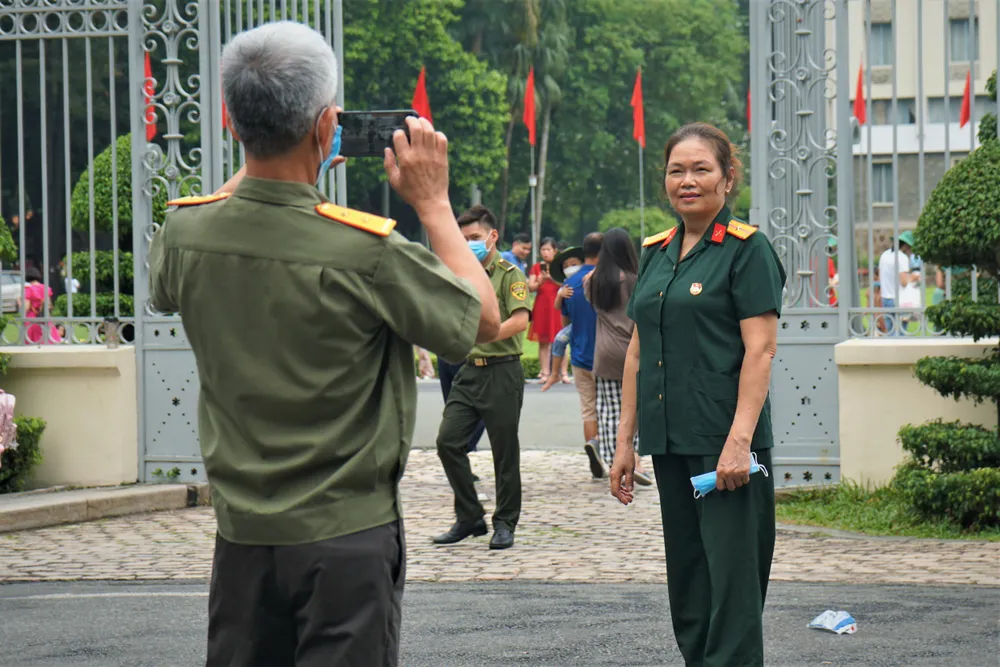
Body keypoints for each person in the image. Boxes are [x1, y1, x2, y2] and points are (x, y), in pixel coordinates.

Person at [146, 21, 500, 667]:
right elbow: (481, 317)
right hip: (345, 534)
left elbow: (182, 259)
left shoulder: (184, 234)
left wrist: (268, 156)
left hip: (242, 535)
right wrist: (435, 202)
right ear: (327, 125)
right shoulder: (364, 248)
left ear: (229, 121)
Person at [610, 122, 786, 667]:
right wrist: (625, 441)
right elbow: (638, 349)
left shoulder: (746, 249)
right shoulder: (657, 252)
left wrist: (740, 443)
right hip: (670, 441)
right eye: (676, 170)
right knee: (688, 582)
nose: (687, 180)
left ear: (727, 179)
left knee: (731, 586)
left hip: (723, 446)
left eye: (701, 169)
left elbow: (760, 352)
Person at [433, 204, 530, 551]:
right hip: (468, 371)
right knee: (447, 442)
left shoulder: (509, 273)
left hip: (502, 370)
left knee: (504, 452)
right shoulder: (462, 273)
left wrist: (485, 337)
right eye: (463, 239)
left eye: (474, 238)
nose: (469, 244)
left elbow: (520, 320)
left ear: (492, 237)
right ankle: (469, 515)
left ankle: (505, 523)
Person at [583, 227, 651, 485]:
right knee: (636, 407)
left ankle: (617, 461)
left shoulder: (592, 282)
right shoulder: (637, 280)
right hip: (634, 349)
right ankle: (635, 457)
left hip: (605, 352)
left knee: (610, 410)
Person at [548, 235, 603, 478]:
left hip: (581, 356)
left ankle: (594, 448)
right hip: (609, 357)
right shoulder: (610, 280)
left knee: (589, 410)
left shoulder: (570, 286)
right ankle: (619, 457)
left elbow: (565, 325)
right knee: (614, 408)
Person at [527, 237, 569, 383]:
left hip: (557, 306)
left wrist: (551, 277)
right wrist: (540, 281)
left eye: (548, 250)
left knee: (562, 339)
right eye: (543, 250)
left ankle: (563, 373)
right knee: (543, 341)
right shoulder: (537, 267)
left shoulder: (561, 266)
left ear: (554, 251)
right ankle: (545, 372)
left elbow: (565, 283)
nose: (545, 253)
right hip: (542, 305)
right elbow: (530, 287)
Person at [877, 231, 919, 336]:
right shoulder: (902, 258)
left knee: (890, 333)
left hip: (885, 298)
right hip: (899, 299)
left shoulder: (884, 255)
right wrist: (914, 277)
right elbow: (904, 282)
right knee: (900, 334)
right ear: (906, 245)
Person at [22, 266, 61, 345]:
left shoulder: (28, 289)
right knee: (48, 340)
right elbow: (49, 304)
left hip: (32, 317)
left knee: (32, 342)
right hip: (44, 316)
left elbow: (26, 307)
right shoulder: (46, 288)